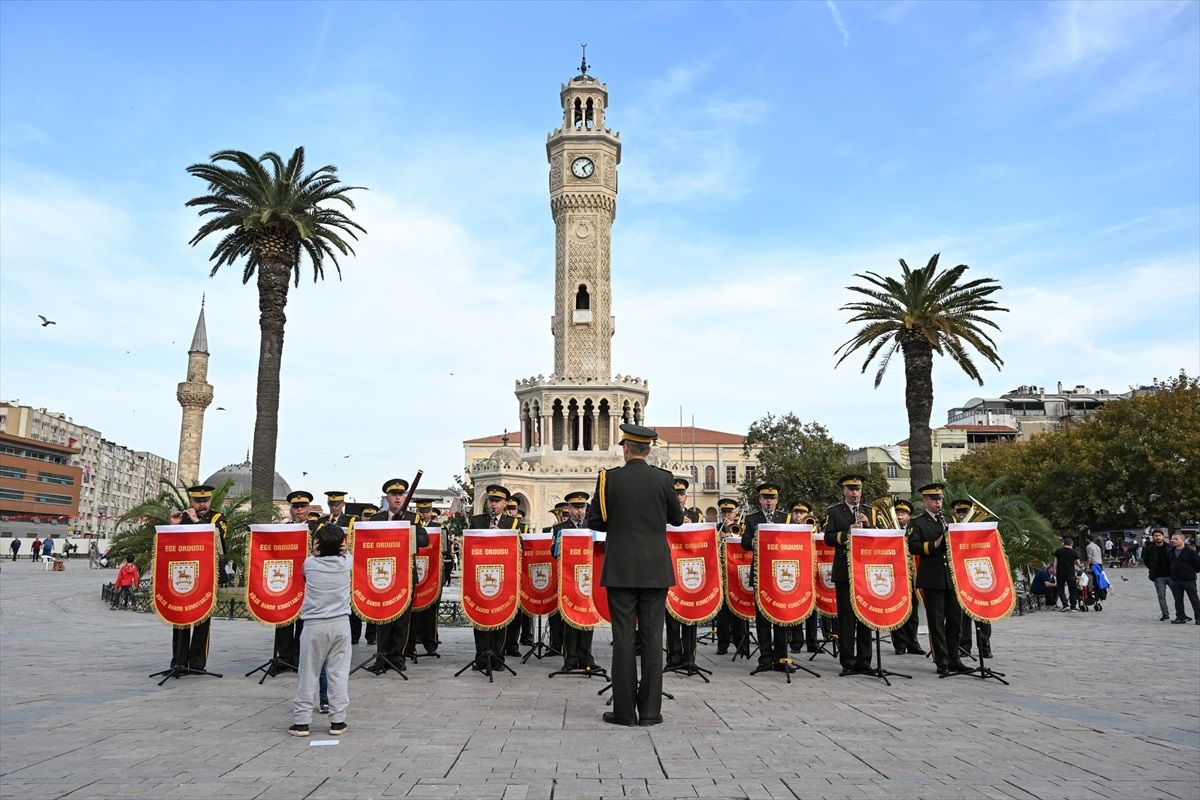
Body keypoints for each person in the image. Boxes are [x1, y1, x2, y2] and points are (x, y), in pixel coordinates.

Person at [586, 423, 683, 726]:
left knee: (624, 639)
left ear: (626, 448)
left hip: (621, 569)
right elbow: (677, 521)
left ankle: (625, 712)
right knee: (654, 639)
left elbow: (595, 522)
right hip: (655, 569)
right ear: (649, 449)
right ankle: (651, 711)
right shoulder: (665, 480)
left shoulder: (608, 480)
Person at [289, 523, 352, 737]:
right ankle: (337, 721)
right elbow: (347, 554)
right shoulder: (346, 563)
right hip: (341, 624)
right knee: (339, 673)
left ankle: (302, 722)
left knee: (308, 673)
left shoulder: (310, 563)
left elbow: (309, 562)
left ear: (317, 544)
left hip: (314, 625)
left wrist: (315, 551)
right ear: (341, 545)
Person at [906, 483, 968, 676]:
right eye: (933, 499)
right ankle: (941, 661)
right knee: (937, 621)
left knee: (955, 620)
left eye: (939, 499)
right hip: (932, 577)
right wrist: (935, 543)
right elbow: (913, 547)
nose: (937, 502)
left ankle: (954, 658)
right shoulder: (917, 522)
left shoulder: (948, 519)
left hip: (951, 576)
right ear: (925, 501)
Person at [167, 484, 229, 672]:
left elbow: (219, 541)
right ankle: (178, 660)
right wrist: (173, 527)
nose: (202, 504)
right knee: (180, 617)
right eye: (197, 501)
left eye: (205, 501)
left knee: (202, 620)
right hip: (185, 574)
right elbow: (171, 546)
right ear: (191, 501)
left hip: (208, 575)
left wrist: (195, 521)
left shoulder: (218, 518)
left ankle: (196, 663)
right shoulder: (182, 517)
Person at [369, 478, 427, 674]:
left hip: (404, 575)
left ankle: (398, 657)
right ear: (387, 497)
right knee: (383, 616)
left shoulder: (412, 518)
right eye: (394, 494)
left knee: (402, 619)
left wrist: (403, 534)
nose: (397, 498)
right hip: (382, 575)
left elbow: (424, 539)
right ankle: (382, 657)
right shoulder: (377, 519)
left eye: (401, 494)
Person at [824, 474, 877, 676]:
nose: (855, 493)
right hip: (844, 569)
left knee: (865, 616)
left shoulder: (870, 511)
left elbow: (880, 539)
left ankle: (865, 660)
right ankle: (848, 660)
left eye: (858, 489)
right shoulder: (834, 511)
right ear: (844, 491)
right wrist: (847, 533)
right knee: (847, 618)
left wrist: (869, 526)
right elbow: (828, 538)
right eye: (851, 489)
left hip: (865, 571)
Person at [740, 482, 792, 672]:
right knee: (762, 618)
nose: (769, 502)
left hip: (781, 572)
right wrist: (753, 540)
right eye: (765, 498)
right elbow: (744, 543)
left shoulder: (786, 518)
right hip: (760, 572)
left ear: (777, 500)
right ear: (760, 500)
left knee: (780, 615)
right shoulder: (752, 518)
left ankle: (781, 657)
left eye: (772, 498)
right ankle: (765, 658)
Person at [468, 485, 520, 668]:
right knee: (480, 616)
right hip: (480, 576)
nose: (493, 505)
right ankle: (481, 656)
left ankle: (497, 657)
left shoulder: (512, 523)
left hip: (503, 578)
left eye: (497, 501)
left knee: (500, 616)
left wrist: (500, 534)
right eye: (491, 500)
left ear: (505, 503)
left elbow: (519, 549)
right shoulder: (476, 521)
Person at [270, 491, 316, 675]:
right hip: (286, 581)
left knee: (304, 623)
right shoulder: (284, 528)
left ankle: (299, 659)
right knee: (284, 620)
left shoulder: (317, 528)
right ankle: (284, 658)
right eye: (296, 507)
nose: (299, 511)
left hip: (307, 581)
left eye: (303, 507)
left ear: (309, 508)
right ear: (291, 509)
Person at [552, 490, 597, 671]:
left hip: (587, 579)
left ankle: (586, 657)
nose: (579, 511)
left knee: (587, 618)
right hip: (569, 579)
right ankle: (570, 658)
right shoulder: (560, 529)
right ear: (568, 508)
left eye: (582, 507)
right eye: (576, 507)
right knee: (570, 620)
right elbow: (554, 553)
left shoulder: (592, 527)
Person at [665, 478, 701, 669]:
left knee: (690, 617)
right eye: (675, 494)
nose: (678, 497)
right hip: (670, 571)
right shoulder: (662, 516)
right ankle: (673, 657)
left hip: (690, 573)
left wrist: (689, 526)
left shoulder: (696, 517)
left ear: (686, 496)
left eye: (681, 494)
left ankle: (689, 657)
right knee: (671, 620)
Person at [888, 499, 926, 655]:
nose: (899, 516)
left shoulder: (914, 531)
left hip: (911, 575)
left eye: (903, 513)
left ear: (910, 516)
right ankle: (899, 643)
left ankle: (912, 642)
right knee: (896, 609)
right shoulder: (889, 531)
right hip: (895, 576)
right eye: (897, 513)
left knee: (912, 611)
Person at [407, 498, 441, 657]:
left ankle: (430, 641)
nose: (424, 514)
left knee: (430, 610)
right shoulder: (411, 525)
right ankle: (411, 642)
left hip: (431, 574)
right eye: (421, 511)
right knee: (412, 611)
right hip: (414, 571)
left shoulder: (438, 528)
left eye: (427, 511)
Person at [714, 498, 748, 656]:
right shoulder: (715, 528)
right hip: (721, 575)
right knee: (723, 614)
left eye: (730, 512)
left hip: (737, 575)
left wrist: (730, 530)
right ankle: (723, 644)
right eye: (724, 512)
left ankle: (741, 642)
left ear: (735, 514)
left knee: (739, 611)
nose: (726, 515)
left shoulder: (742, 527)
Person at [1167, 533, 1200, 625]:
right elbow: (1169, 564)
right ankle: (1180, 617)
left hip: (1188, 579)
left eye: (1176, 539)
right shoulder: (1171, 552)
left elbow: (1198, 564)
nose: (1173, 541)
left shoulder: (1190, 551)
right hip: (1175, 580)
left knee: (1194, 599)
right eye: (1172, 539)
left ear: (1182, 540)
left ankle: (1198, 618)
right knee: (1178, 600)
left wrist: (1191, 572)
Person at [1142, 529, 1174, 621]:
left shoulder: (1170, 547)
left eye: (1159, 535)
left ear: (1163, 536)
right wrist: (1152, 568)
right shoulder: (1149, 549)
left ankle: (1180, 614)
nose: (1158, 537)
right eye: (1156, 536)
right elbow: (1146, 560)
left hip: (1171, 575)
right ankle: (1165, 614)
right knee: (1161, 596)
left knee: (1177, 595)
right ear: (1153, 537)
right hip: (1158, 576)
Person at [1053, 537, 1081, 612]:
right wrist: (1080, 567)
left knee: (1060, 589)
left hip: (1060, 573)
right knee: (1072, 590)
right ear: (1071, 544)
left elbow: (1055, 562)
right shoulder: (1073, 552)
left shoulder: (1058, 551)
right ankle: (1073, 606)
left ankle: (1065, 605)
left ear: (1064, 544)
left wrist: (1055, 570)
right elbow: (1078, 563)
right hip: (1070, 573)